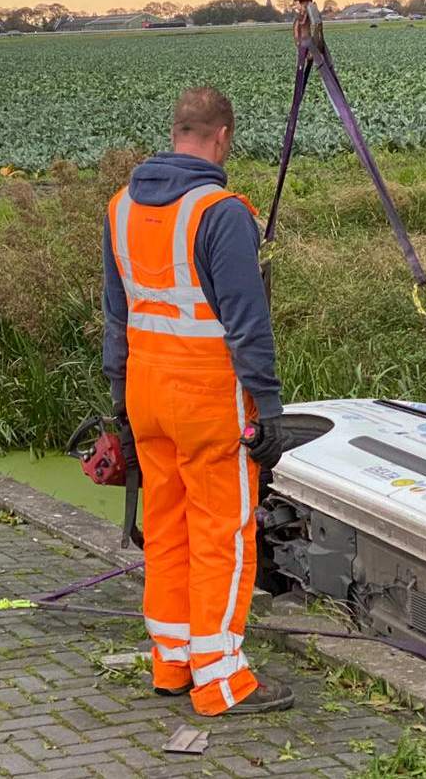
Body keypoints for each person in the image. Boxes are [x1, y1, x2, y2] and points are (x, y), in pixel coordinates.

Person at [102, 87, 292, 716]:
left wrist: (119, 398)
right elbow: (246, 320)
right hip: (208, 397)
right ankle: (221, 680)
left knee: (165, 525)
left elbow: (116, 312)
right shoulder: (220, 212)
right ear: (223, 136)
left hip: (145, 394)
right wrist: (268, 406)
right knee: (223, 532)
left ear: (177, 130)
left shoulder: (122, 207)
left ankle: (172, 662)